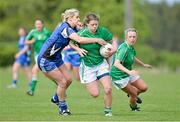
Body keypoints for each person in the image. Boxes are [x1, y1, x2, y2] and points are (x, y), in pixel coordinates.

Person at [37, 8, 106, 116]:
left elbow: (73, 41)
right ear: (69, 18)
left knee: (69, 80)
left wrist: (78, 48)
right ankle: (63, 108)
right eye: (76, 17)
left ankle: (56, 97)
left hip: (56, 57)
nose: (78, 19)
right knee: (62, 82)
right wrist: (96, 39)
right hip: (46, 59)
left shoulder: (71, 28)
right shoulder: (65, 28)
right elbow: (79, 39)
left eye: (78, 17)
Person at [71, 13, 115, 116]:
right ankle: (96, 80)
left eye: (96, 24)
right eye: (92, 25)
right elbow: (70, 43)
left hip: (101, 64)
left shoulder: (103, 31)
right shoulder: (81, 33)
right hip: (87, 67)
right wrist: (78, 49)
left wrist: (110, 50)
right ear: (87, 24)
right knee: (95, 94)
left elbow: (112, 41)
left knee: (108, 89)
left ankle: (108, 111)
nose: (95, 26)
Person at [110, 28, 152, 111]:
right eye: (130, 37)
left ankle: (132, 94)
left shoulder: (131, 47)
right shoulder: (124, 49)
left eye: (134, 37)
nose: (132, 38)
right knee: (134, 93)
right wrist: (129, 71)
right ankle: (134, 107)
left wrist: (143, 64)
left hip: (127, 73)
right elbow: (116, 63)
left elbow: (133, 57)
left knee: (144, 88)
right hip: (118, 76)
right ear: (126, 38)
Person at [25, 19, 51, 96]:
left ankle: (31, 90)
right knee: (48, 74)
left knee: (34, 70)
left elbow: (53, 41)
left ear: (42, 24)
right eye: (37, 24)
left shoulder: (47, 32)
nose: (38, 25)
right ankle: (61, 86)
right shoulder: (33, 32)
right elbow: (26, 41)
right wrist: (31, 41)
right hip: (37, 55)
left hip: (45, 55)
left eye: (39, 24)